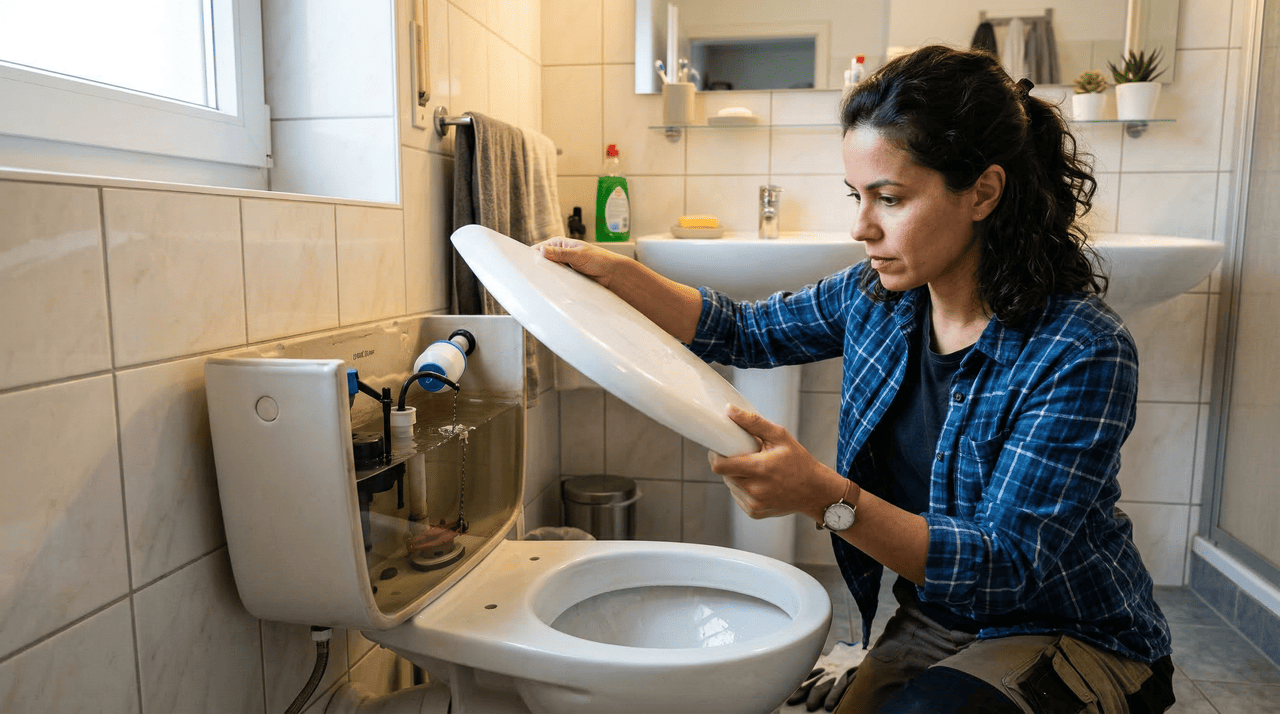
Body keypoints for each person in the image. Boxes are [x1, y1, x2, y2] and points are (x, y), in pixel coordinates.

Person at [536, 45, 1174, 714]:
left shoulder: (1080, 349)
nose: (861, 226)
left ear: (983, 191)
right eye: (858, 196)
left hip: (1070, 631)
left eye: (890, 198)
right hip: (939, 618)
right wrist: (619, 275)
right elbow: (745, 331)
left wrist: (823, 497)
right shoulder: (878, 296)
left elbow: (1005, 565)